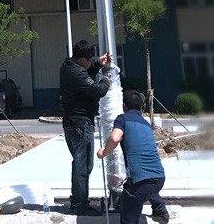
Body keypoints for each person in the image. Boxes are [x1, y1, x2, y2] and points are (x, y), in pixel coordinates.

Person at [96, 89, 169, 224]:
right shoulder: (146, 124)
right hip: (159, 178)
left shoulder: (122, 118)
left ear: (124, 105)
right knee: (147, 186)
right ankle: (160, 209)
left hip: (140, 182)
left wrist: (103, 152)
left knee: (129, 205)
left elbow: (115, 138)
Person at [59, 39, 111, 215]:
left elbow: (86, 74)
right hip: (80, 124)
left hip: (74, 123)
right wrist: (106, 80)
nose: (90, 62)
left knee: (81, 164)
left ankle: (78, 201)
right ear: (82, 60)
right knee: (83, 166)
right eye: (89, 60)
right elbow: (98, 90)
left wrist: (97, 65)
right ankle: (80, 204)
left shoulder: (68, 66)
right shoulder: (76, 73)